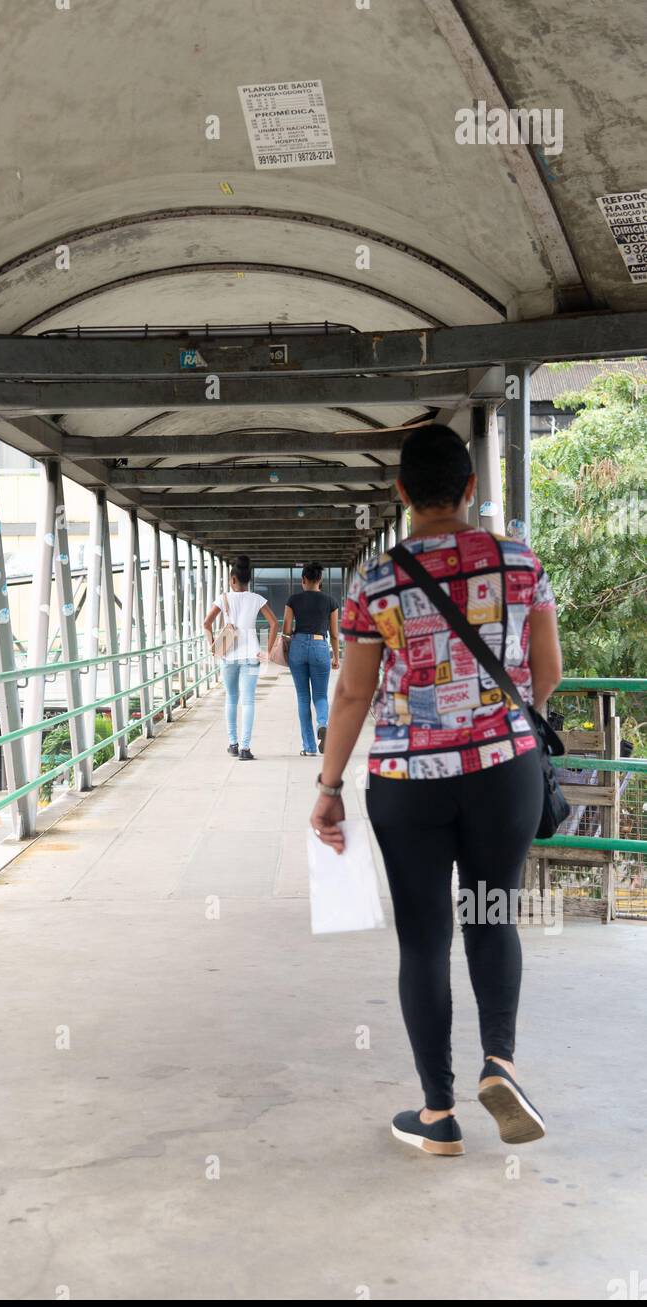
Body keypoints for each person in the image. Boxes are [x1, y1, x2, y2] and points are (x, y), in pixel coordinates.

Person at [310, 423, 563, 1158]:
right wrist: (502, 723)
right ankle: (500, 1064)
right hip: (502, 774)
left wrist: (328, 785)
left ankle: (435, 1116)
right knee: (492, 915)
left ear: (399, 494)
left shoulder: (377, 580)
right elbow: (545, 674)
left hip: (407, 784)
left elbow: (354, 696)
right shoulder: (517, 563)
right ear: (469, 489)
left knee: (423, 941)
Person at [204, 555, 278, 761]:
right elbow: (274, 624)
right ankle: (245, 748)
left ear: (232, 579)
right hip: (252, 656)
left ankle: (233, 744)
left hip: (228, 656)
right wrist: (269, 651)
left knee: (231, 698)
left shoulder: (223, 598)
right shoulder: (256, 599)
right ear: (248, 580)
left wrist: (212, 645)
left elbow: (206, 623)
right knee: (248, 701)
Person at [283, 562, 340, 755]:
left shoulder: (293, 600)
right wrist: (336, 657)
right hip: (319, 645)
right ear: (320, 580)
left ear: (303, 580)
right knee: (321, 695)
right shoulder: (330, 601)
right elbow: (334, 633)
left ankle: (309, 748)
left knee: (302, 697)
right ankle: (322, 724)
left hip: (298, 646)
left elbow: (286, 630)